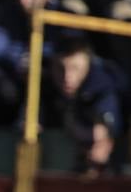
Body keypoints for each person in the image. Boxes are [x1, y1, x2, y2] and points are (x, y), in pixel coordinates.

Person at [37, 34, 124, 175]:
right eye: (61, 68)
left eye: (75, 68)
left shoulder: (102, 88)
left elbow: (101, 133)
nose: (67, 77)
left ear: (88, 66)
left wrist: (100, 137)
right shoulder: (40, 85)